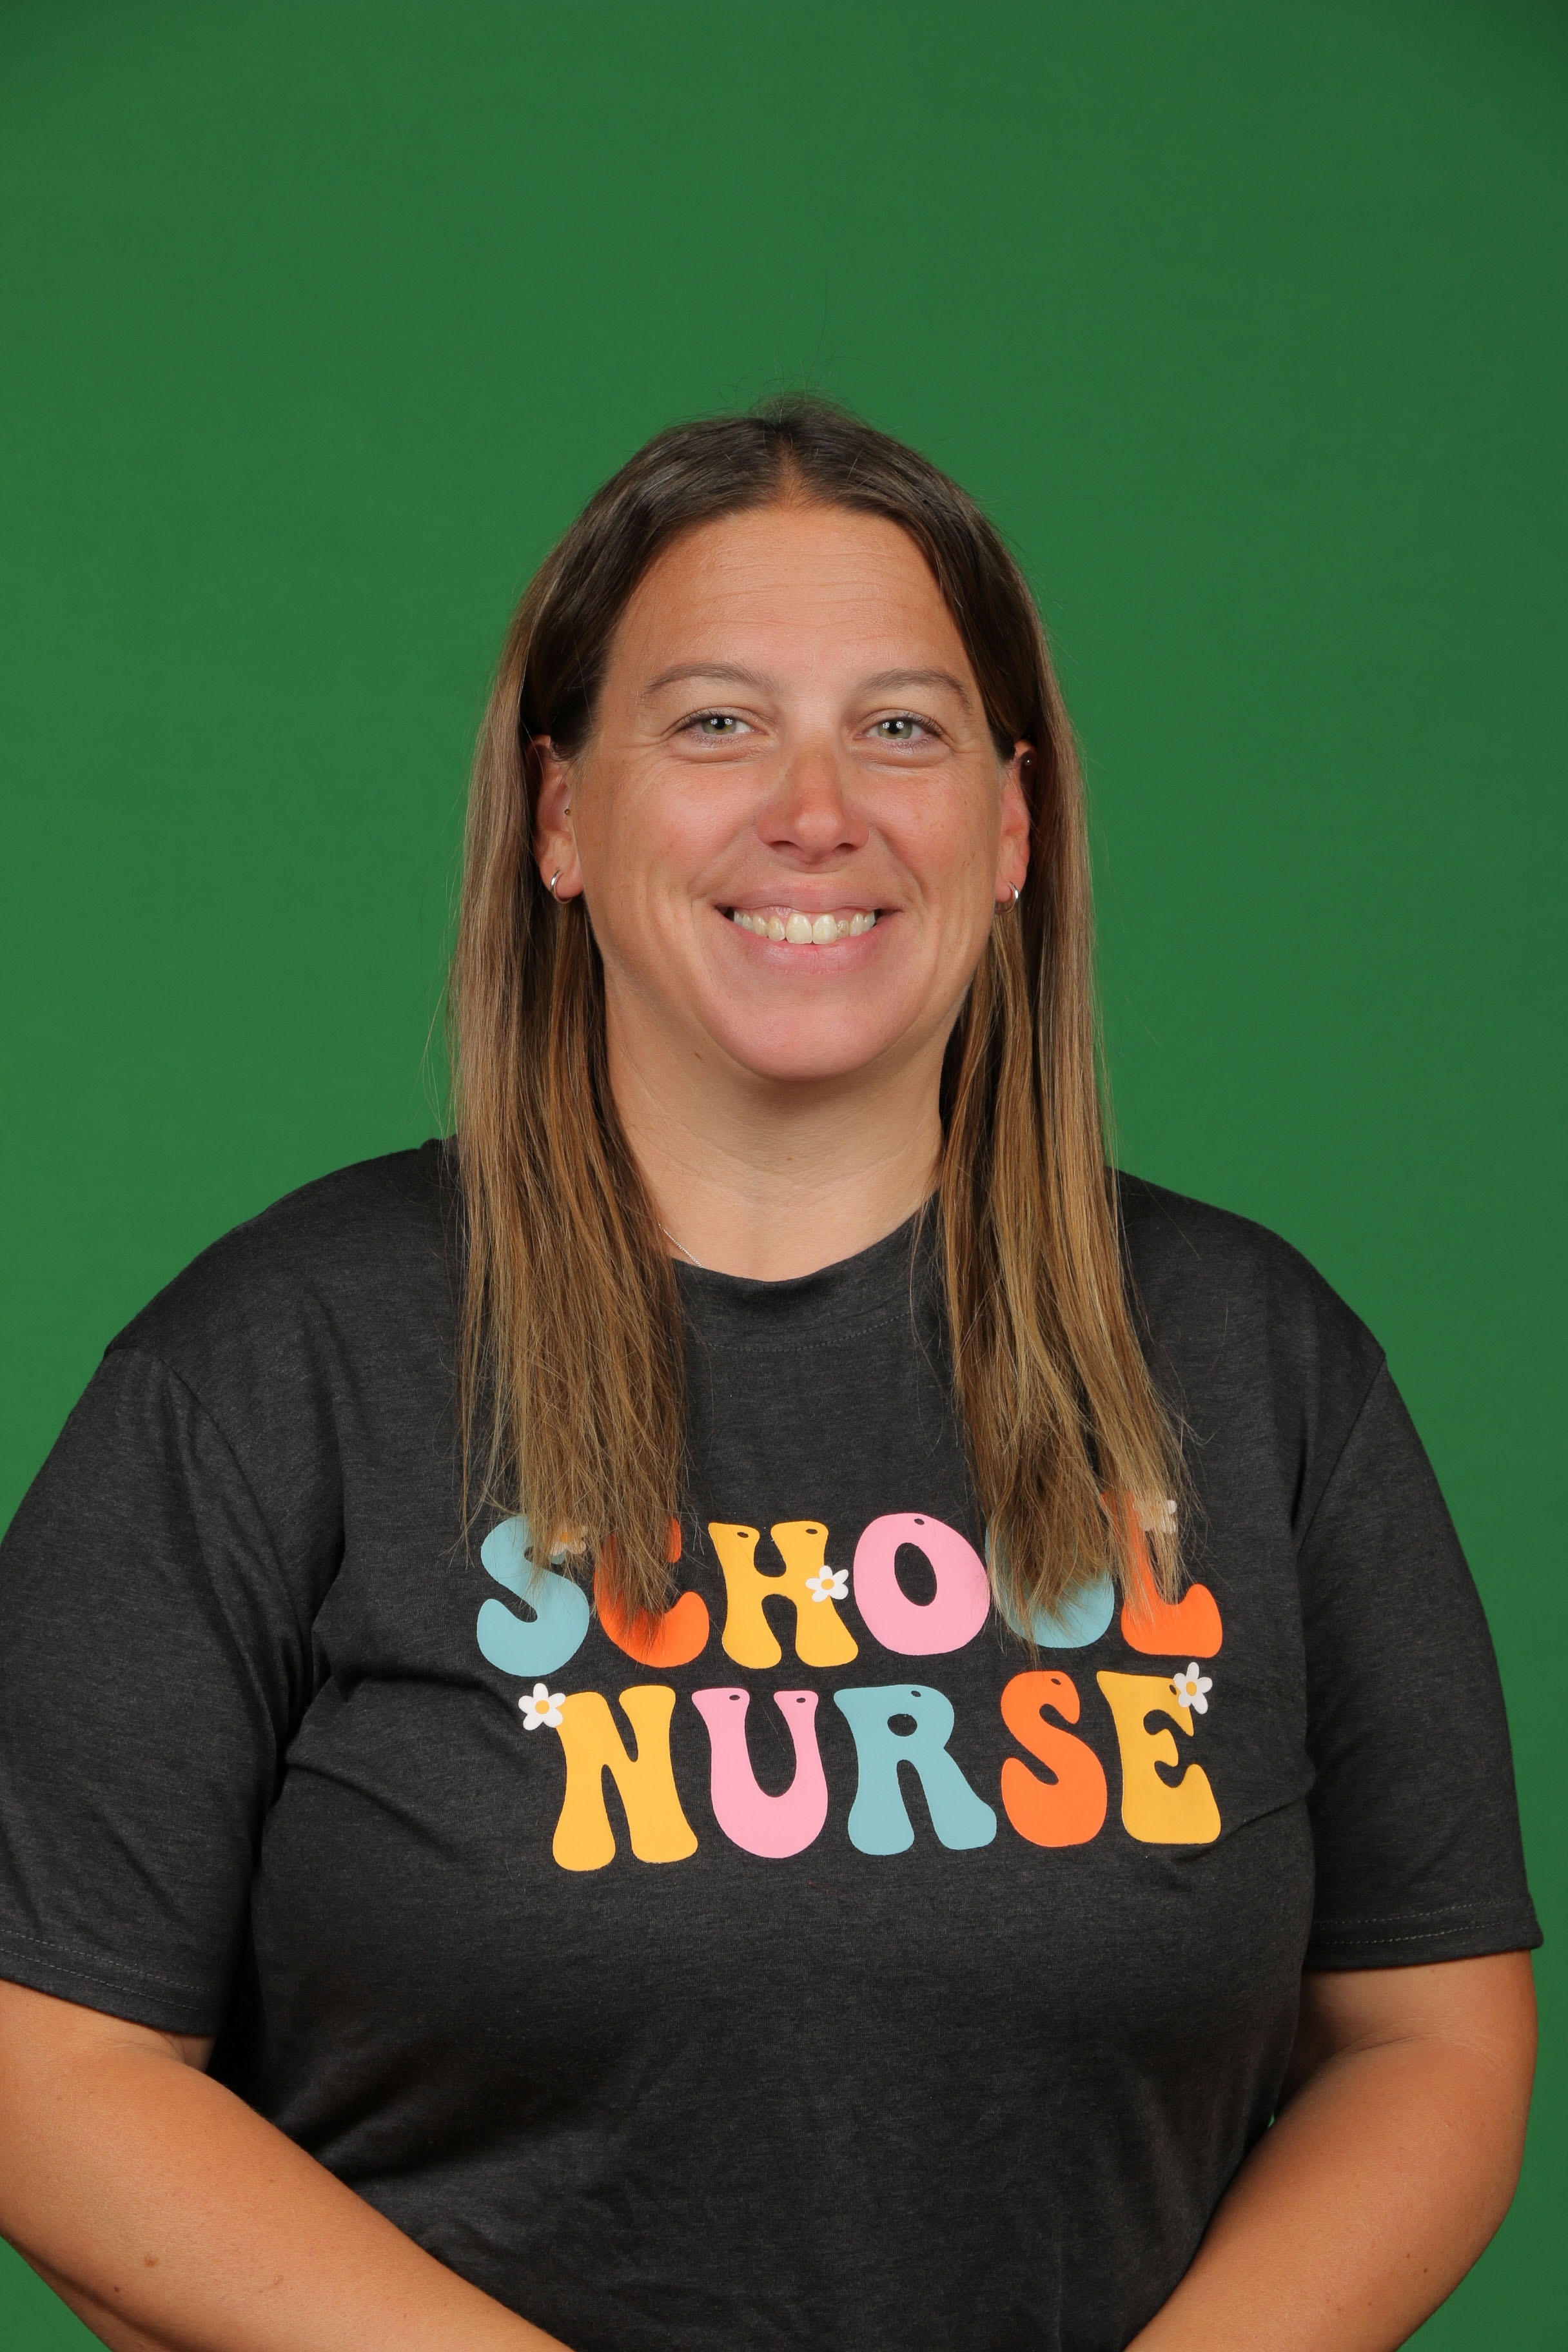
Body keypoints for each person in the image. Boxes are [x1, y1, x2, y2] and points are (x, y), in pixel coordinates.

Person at [0, 400, 1539, 2352]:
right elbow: (46, 2065)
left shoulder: (1256, 1362)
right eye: (718, 722)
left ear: (1012, 825)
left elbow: (1431, 2040)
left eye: (901, 728)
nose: (817, 811)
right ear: (563, 816)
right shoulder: (270, 1368)